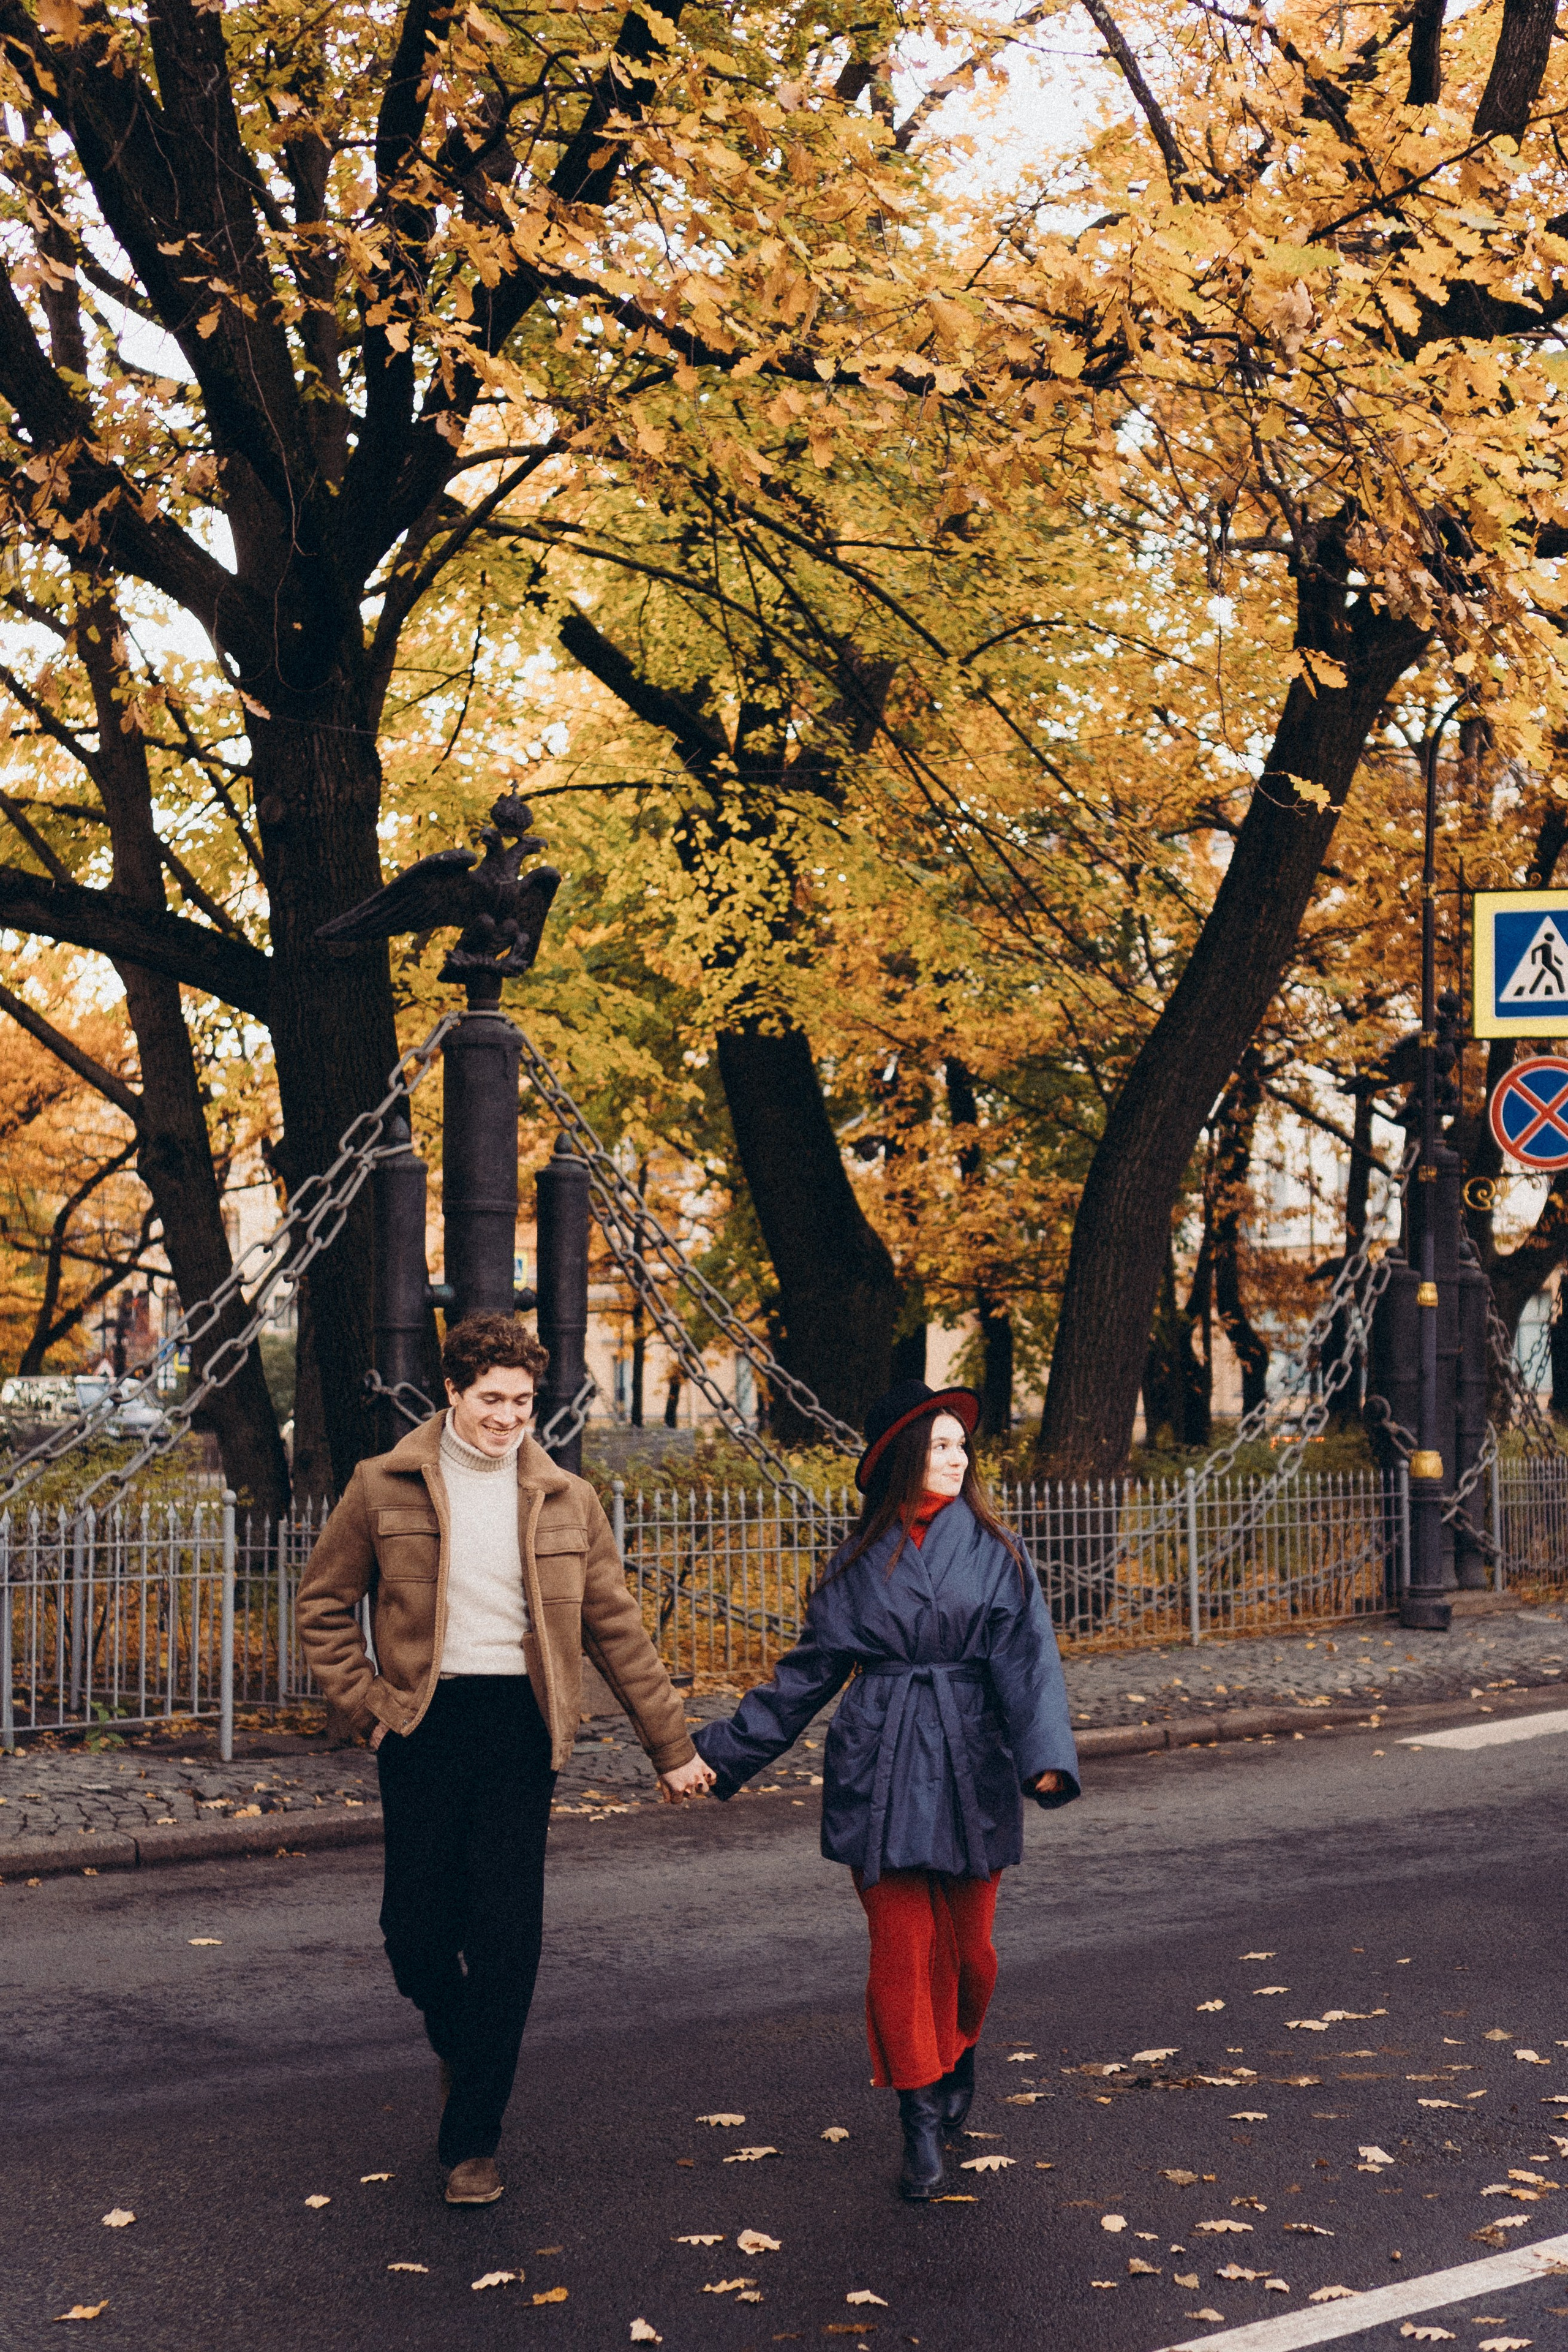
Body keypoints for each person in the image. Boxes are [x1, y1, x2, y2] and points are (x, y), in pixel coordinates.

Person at [296, 1313, 714, 2207]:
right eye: (491, 1399)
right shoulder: (384, 1486)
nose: (508, 1417)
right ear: (453, 1392)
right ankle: (464, 2040)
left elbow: (618, 1629)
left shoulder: (567, 1499)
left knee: (504, 1934)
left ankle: (472, 2141)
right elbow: (324, 1607)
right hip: (422, 1723)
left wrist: (671, 1747)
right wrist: (368, 1708)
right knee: (413, 1933)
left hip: (523, 1731)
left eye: (523, 1401)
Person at [692, 1379, 1080, 2202]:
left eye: (960, 1445)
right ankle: (919, 2118)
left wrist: (1044, 1756)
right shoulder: (855, 1567)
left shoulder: (1000, 1552)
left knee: (971, 1951)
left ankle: (959, 2053)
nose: (957, 1457)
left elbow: (1029, 1659)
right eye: (940, 1444)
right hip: (885, 1758)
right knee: (904, 1950)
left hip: (974, 1753)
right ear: (905, 1456)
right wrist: (720, 1756)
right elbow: (803, 1681)